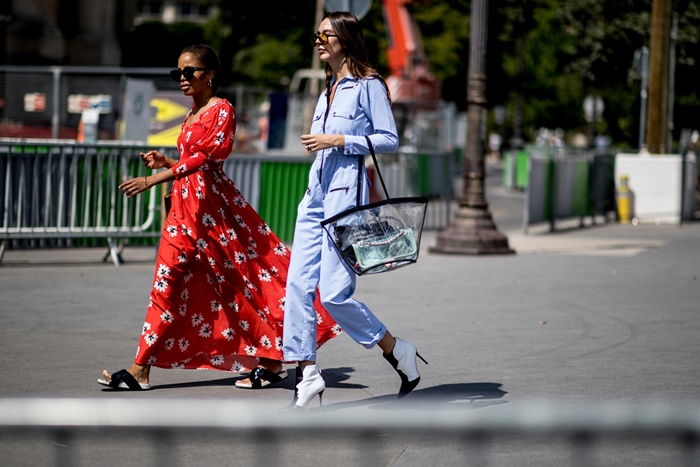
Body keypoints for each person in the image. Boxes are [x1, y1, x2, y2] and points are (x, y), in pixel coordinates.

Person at [98, 44, 339, 391]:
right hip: (184, 212)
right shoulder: (191, 115)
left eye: (188, 71)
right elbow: (189, 161)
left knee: (241, 285)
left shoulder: (221, 109)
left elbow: (208, 156)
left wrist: (153, 180)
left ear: (209, 75)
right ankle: (141, 368)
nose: (181, 79)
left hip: (214, 214)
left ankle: (271, 361)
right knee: (166, 287)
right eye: (176, 73)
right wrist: (165, 163)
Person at [283, 12, 427, 409]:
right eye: (318, 34)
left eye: (326, 34)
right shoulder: (326, 89)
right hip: (315, 191)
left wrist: (338, 138)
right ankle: (307, 373)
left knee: (332, 294)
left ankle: (397, 349)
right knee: (296, 285)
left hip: (347, 192)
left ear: (345, 39)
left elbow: (388, 139)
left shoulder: (369, 86)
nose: (319, 40)